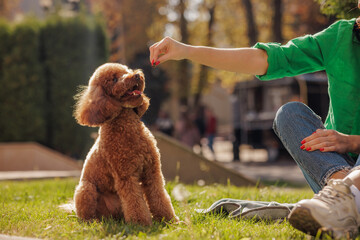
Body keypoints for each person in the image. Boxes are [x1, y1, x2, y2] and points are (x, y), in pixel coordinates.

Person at [149, 1, 360, 237]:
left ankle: (342, 202)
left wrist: (352, 142)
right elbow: (265, 59)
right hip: (331, 167)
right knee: (290, 115)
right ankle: (343, 195)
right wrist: (187, 51)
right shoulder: (340, 37)